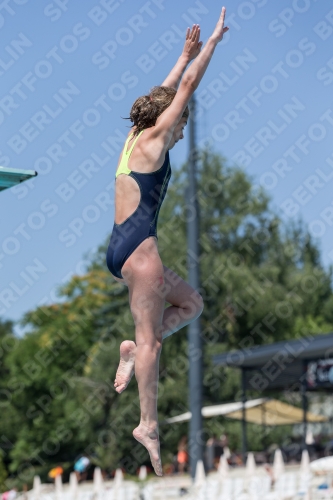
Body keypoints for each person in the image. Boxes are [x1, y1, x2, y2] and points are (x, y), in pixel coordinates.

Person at [106, 7, 229, 476]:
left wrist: (181, 55)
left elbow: (162, 94)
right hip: (142, 258)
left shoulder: (135, 136)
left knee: (192, 304)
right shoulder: (156, 137)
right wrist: (211, 46)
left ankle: (132, 352)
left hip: (123, 252)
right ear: (166, 121)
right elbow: (184, 90)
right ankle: (147, 424)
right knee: (152, 340)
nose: (181, 130)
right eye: (179, 123)